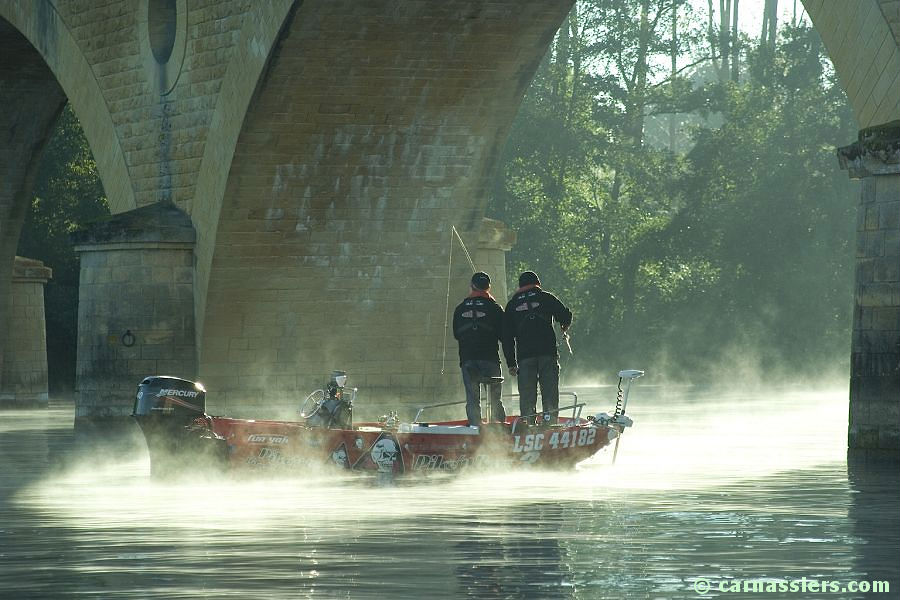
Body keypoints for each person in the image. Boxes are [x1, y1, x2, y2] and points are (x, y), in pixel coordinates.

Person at [502, 271, 572, 424]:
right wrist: (564, 326)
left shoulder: (512, 304)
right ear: (537, 284)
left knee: (527, 394)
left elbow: (507, 338)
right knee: (549, 392)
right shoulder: (546, 297)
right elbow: (566, 316)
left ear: (520, 286)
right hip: (547, 354)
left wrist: (511, 363)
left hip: (525, 358)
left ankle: (527, 426)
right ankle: (550, 423)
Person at [452, 271, 506, 426]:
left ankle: (476, 428)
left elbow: (456, 334)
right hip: (490, 359)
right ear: (488, 287)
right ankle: (499, 427)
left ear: (471, 287)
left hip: (468, 359)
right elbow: (504, 335)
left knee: (472, 397)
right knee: (495, 397)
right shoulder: (495, 307)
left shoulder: (460, 308)